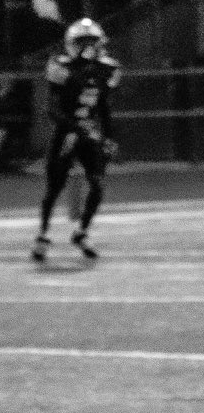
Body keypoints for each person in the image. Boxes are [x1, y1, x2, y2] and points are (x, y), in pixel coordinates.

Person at [31, 18, 120, 262]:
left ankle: (81, 232)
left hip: (88, 133)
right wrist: (76, 128)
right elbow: (52, 109)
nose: (88, 47)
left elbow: (103, 107)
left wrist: (109, 136)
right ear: (72, 44)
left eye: (92, 41)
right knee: (54, 188)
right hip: (67, 133)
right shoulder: (62, 67)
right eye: (83, 42)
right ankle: (43, 235)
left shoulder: (106, 69)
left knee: (97, 185)